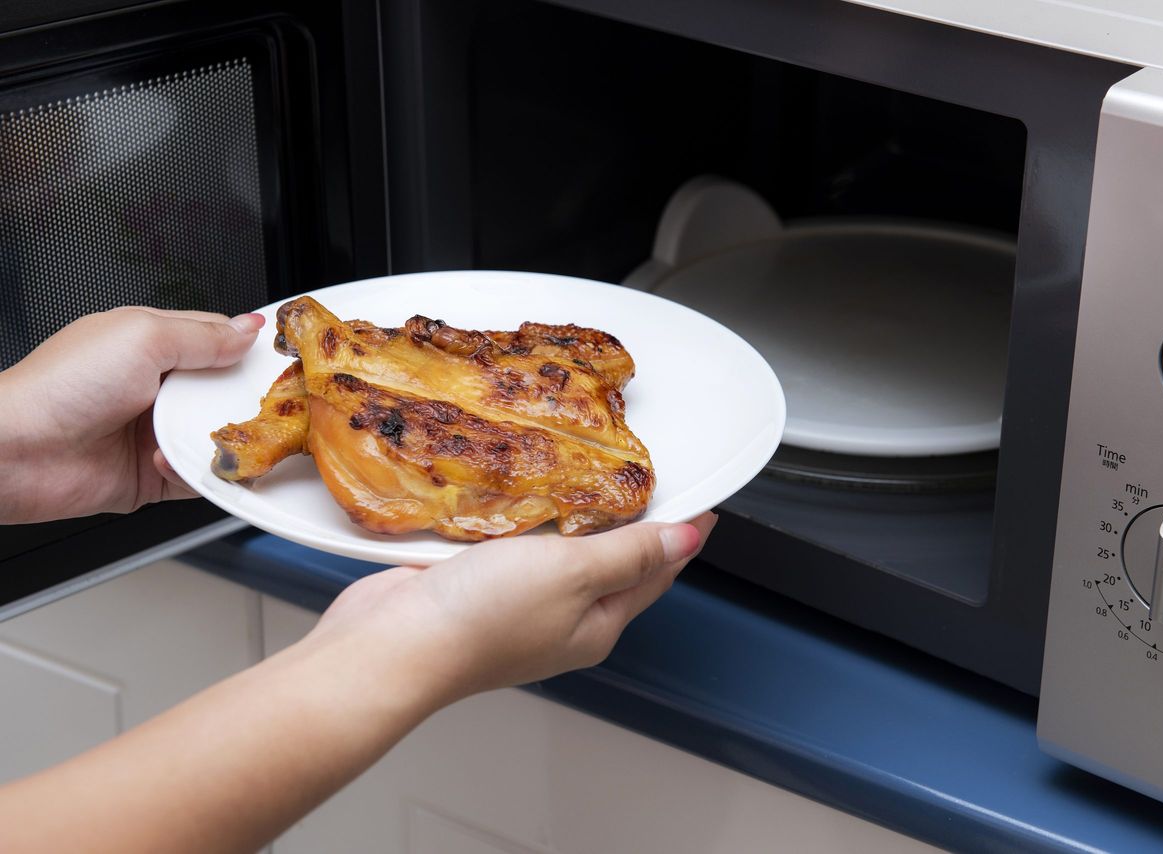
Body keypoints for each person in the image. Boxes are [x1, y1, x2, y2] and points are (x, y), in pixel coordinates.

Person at [0, 306, 716, 852]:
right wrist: (425, 645)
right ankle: (305, 375)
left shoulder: (591, 434)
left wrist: (20, 432)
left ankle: (295, 391)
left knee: (346, 381)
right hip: (425, 416)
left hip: (479, 405)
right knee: (355, 392)